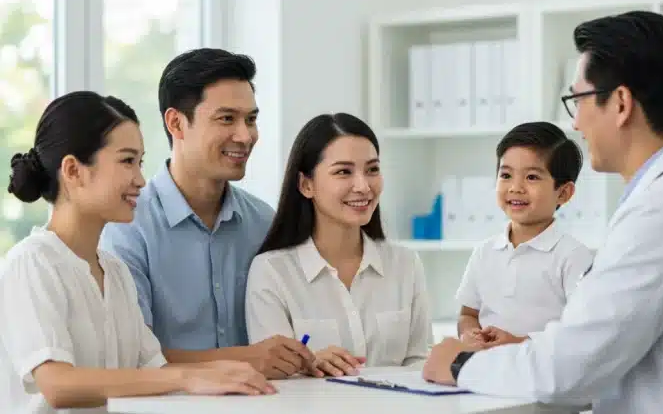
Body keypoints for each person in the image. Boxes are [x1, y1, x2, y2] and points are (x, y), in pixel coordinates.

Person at [422, 10, 663, 414]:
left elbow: (567, 369)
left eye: (578, 100)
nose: (577, 123)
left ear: (620, 103)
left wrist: (462, 363)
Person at [0, 91, 275, 414]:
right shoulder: (32, 262)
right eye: (127, 161)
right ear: (73, 171)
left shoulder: (114, 271)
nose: (141, 180)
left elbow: (152, 368)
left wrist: (224, 371)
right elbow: (58, 385)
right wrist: (188, 377)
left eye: (140, 162)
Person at [99, 48, 314, 379]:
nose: (245, 136)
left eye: (251, 119)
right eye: (227, 118)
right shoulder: (127, 226)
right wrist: (244, 359)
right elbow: (129, 356)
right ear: (176, 123)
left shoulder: (264, 222)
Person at [245, 113, 433, 377]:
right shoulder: (272, 272)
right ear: (306, 185)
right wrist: (306, 364)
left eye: (372, 170)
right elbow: (274, 375)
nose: (363, 186)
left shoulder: (405, 264)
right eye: (344, 172)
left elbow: (419, 363)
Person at [456, 122, 593, 349]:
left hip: (542, 374)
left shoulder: (573, 256)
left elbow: (580, 331)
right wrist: (470, 335)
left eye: (531, 177)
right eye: (506, 175)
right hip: (487, 371)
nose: (515, 187)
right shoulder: (484, 252)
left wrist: (520, 343)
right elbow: (468, 314)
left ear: (563, 193)